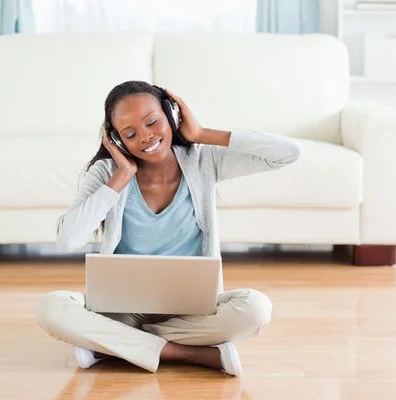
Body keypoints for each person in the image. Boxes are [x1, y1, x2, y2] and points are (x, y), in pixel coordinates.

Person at [35, 80, 302, 375]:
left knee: (256, 309)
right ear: (117, 139)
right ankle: (190, 354)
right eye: (130, 133)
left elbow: (288, 152)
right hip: (123, 310)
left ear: (171, 116)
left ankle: (113, 346)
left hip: (192, 309)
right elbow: (67, 240)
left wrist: (202, 133)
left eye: (152, 122)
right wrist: (121, 177)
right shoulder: (107, 173)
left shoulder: (203, 160)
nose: (146, 137)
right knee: (51, 308)